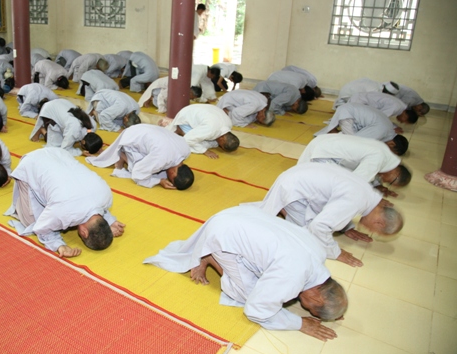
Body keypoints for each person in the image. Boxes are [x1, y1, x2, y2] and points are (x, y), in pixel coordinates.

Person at [144, 206, 347, 340]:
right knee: (248, 295)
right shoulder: (293, 275)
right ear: (316, 297)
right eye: (311, 309)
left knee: (266, 283)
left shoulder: (319, 255)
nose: (306, 309)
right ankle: (210, 256)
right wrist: (299, 323)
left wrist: (331, 309)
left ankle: (210, 252)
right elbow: (256, 310)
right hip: (223, 234)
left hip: (243, 214)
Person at [253, 163, 404, 266]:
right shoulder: (356, 201)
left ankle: (285, 208)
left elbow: (339, 203)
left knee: (317, 227)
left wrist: (346, 228)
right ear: (379, 223)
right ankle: (285, 207)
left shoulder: (368, 194)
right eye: (374, 231)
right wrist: (336, 253)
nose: (370, 231)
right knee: (307, 238)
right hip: (292, 188)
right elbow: (319, 226)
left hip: (300, 175)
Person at [4, 147, 125, 257]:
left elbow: (97, 206)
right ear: (84, 232)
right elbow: (41, 228)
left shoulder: (107, 195)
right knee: (30, 222)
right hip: (31, 163)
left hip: (58, 152)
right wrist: (59, 245)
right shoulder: (64, 212)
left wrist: (110, 220)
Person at [298, 134, 411, 196]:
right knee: (323, 190)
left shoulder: (386, 155)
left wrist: (375, 186)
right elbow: (354, 183)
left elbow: (364, 172)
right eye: (389, 183)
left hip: (327, 142)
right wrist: (374, 201)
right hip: (324, 152)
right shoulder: (379, 158)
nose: (385, 182)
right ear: (396, 175)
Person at [87, 124, 194, 190]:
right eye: (171, 179)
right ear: (173, 173)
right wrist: (158, 182)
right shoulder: (162, 158)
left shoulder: (186, 150)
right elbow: (138, 175)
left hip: (145, 128)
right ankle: (122, 154)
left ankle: (121, 154)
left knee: (156, 170)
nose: (168, 179)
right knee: (137, 169)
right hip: (131, 137)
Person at [314, 103, 409, 156]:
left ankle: (333, 131)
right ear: (392, 144)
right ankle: (331, 134)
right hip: (348, 113)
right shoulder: (382, 131)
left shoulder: (388, 130)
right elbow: (357, 140)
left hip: (351, 111)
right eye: (391, 151)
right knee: (350, 142)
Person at [29, 98, 102, 156]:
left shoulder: (93, 126)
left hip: (62, 103)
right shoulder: (74, 129)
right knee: (56, 146)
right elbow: (64, 149)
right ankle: (42, 130)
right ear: (83, 142)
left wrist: (97, 146)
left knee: (69, 138)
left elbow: (86, 135)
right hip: (50, 110)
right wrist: (80, 153)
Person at [167, 104, 240, 159]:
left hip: (200, 108)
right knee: (203, 144)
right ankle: (179, 129)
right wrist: (204, 151)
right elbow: (188, 139)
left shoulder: (229, 124)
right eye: (221, 145)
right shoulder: (210, 130)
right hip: (186, 116)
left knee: (212, 143)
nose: (219, 146)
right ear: (222, 138)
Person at [348, 91, 418, 125]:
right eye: (404, 121)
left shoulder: (400, 105)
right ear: (406, 115)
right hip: (360, 101)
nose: (401, 122)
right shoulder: (396, 107)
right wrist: (393, 127)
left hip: (361, 99)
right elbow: (380, 117)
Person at [333, 78, 400, 109]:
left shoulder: (377, 85)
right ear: (387, 93)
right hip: (347, 96)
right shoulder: (375, 91)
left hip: (344, 92)